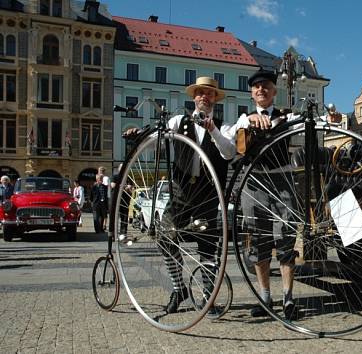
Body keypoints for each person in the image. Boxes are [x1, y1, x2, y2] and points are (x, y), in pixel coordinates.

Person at [125, 76, 236, 314]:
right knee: (165, 235)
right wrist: (140, 136)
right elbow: (157, 140)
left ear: (215, 98)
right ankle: (179, 288)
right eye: (200, 93)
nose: (204, 97)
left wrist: (213, 130)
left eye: (209, 93)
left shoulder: (224, 126)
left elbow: (229, 153)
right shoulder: (179, 121)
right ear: (194, 97)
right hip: (181, 190)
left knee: (208, 247)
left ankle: (209, 297)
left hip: (208, 194)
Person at [236, 69, 340, 320]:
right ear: (252, 93)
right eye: (257, 87)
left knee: (284, 239)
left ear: (274, 91)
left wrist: (332, 119)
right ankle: (265, 297)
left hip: (282, 180)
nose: (261, 90)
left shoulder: (286, 116)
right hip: (255, 183)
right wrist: (249, 121)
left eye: (266, 86)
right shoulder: (244, 118)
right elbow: (233, 139)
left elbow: (312, 123)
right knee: (258, 240)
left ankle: (288, 297)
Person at [98, 166, 110, 231]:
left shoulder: (106, 178)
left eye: (99, 171)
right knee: (102, 213)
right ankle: (102, 224)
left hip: (104, 197)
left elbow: (106, 187)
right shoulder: (100, 177)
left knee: (104, 212)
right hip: (103, 197)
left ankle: (104, 225)